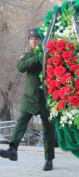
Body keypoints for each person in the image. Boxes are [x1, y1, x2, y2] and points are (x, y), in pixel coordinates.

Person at [0, 27, 55, 171]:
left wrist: (44, 55)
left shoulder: (49, 54)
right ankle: (12, 149)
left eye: (36, 39)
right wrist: (36, 58)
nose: (34, 42)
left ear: (41, 40)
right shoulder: (27, 54)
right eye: (31, 39)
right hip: (29, 96)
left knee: (48, 129)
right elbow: (21, 66)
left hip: (46, 98)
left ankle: (49, 159)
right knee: (22, 121)